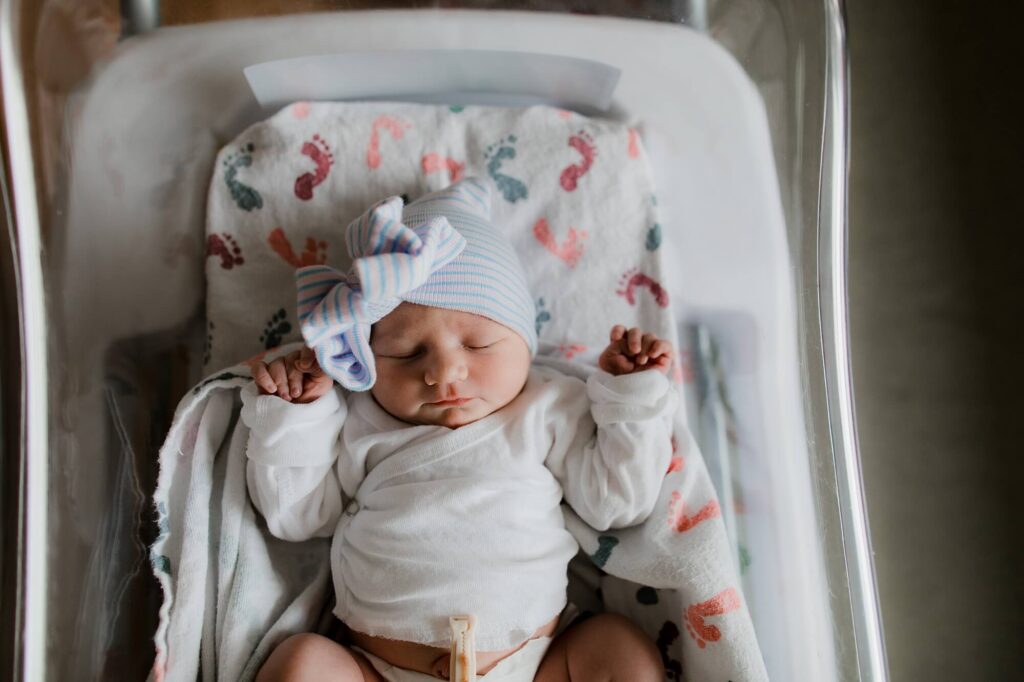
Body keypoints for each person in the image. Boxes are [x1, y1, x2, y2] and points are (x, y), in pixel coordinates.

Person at [242, 178, 676, 682]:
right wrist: (296, 416)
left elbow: (618, 502)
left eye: (477, 344)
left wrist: (631, 394)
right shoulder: (358, 418)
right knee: (303, 663)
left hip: (536, 663)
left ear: (522, 342)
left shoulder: (548, 406)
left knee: (619, 649)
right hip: (378, 669)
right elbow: (294, 517)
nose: (444, 372)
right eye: (406, 353)